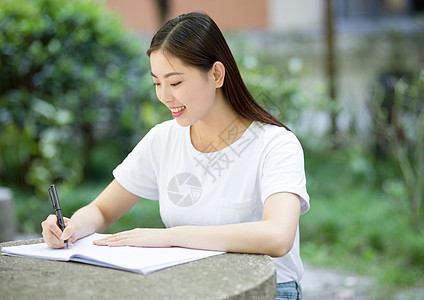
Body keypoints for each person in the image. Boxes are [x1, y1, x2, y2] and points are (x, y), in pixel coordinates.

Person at [41, 12, 309, 300]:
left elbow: (278, 236)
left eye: (176, 82)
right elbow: (102, 211)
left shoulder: (275, 144)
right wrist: (72, 227)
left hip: (268, 290)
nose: (164, 96)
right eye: (157, 83)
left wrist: (170, 237)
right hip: (189, 288)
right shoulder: (163, 139)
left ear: (216, 74)